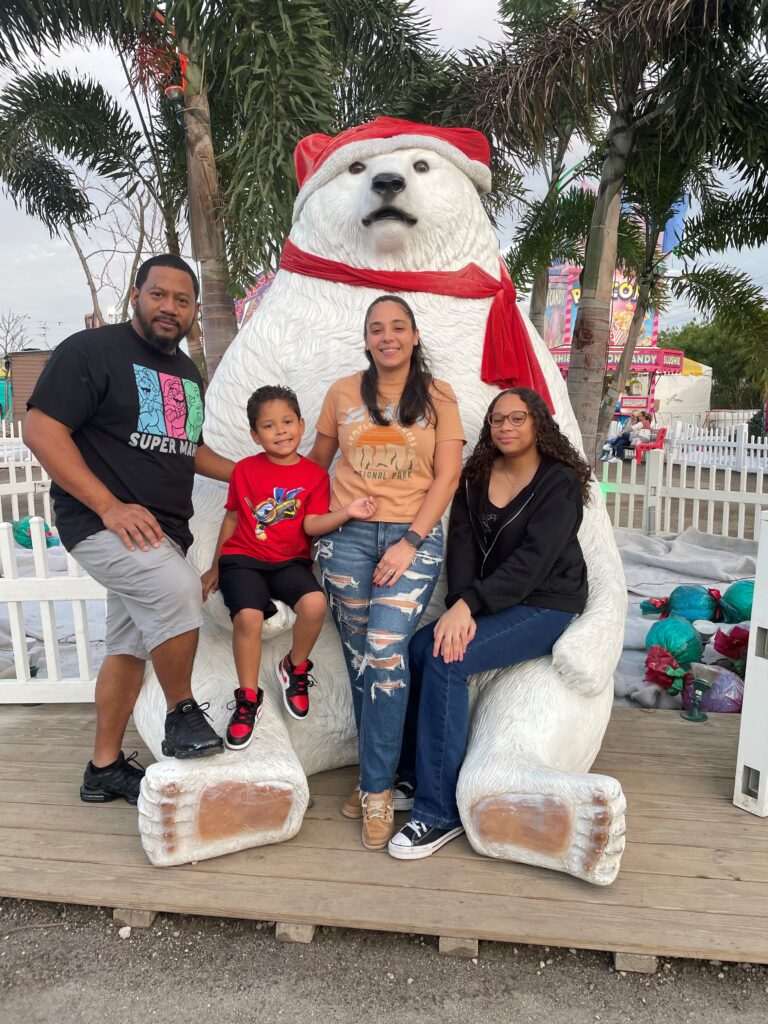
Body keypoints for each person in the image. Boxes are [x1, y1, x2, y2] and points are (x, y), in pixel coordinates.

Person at [24, 254, 236, 807]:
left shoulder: (186, 373)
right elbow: (41, 430)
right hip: (102, 523)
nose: (170, 308)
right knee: (177, 588)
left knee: (127, 647)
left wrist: (246, 474)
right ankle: (183, 715)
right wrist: (109, 506)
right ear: (136, 295)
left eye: (182, 300)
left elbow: (185, 448)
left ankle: (104, 768)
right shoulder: (90, 351)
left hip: (162, 532)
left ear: (193, 311)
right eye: (158, 294)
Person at [388, 386, 590, 859]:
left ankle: (439, 814)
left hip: (548, 602)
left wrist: (470, 606)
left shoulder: (558, 481)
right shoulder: (476, 476)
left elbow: (533, 563)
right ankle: (413, 774)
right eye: (497, 420)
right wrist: (460, 603)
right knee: (418, 648)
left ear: (538, 423)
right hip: (491, 600)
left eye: (517, 418)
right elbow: (460, 546)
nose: (505, 427)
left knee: (446, 659)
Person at [309, 294, 464, 850]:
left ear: (414, 336)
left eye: (398, 327)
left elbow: (447, 477)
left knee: (383, 650)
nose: (387, 337)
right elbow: (313, 468)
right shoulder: (342, 393)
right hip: (346, 538)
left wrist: (410, 541)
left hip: (411, 537)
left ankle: (376, 790)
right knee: (362, 661)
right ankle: (379, 775)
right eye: (377, 328)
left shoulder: (439, 396)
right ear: (367, 339)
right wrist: (298, 520)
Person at [201, 385, 376, 749]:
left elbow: (311, 525)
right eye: (268, 426)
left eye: (286, 422)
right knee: (248, 617)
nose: (280, 431)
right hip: (243, 559)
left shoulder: (314, 476)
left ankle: (294, 667)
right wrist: (215, 565)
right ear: (255, 435)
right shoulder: (245, 471)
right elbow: (232, 518)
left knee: (314, 603)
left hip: (289, 562)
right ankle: (248, 699)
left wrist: (347, 512)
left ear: (301, 425)